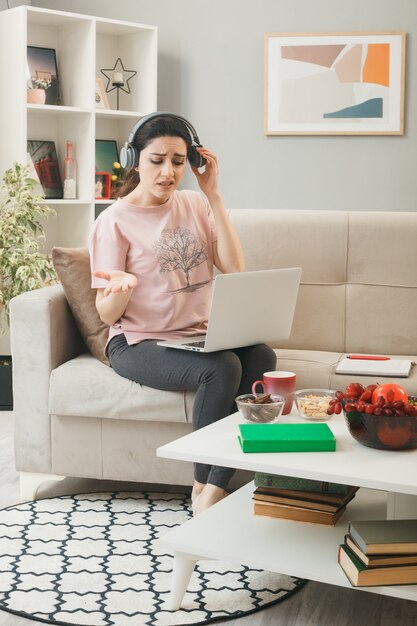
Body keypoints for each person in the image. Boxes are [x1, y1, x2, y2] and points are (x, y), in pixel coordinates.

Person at [88, 112, 276, 514]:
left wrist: (214, 195)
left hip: (197, 336)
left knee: (262, 356)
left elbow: (234, 267)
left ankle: (214, 486)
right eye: (156, 160)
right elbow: (107, 316)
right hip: (138, 342)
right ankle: (203, 488)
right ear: (133, 160)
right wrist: (121, 290)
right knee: (222, 368)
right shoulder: (113, 222)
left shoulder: (193, 203)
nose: (168, 172)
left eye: (177, 161)